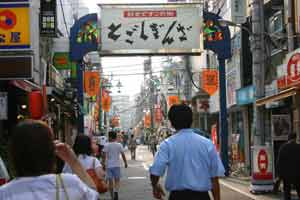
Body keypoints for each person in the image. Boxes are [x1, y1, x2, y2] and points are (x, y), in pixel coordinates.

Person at [0, 120, 99, 200]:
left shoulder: (5, 194)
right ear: (50, 152)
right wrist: (73, 161)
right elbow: (94, 194)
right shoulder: (70, 184)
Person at [149, 104, 225, 200]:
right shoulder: (207, 144)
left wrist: (155, 186)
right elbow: (214, 178)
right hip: (202, 197)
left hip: (177, 197)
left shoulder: (167, 144)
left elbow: (156, 171)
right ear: (191, 120)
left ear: (171, 123)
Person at [103, 131, 128, 200]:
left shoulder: (106, 145)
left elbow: (104, 156)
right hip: (117, 165)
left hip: (109, 166)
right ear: (115, 137)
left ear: (110, 137)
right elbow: (123, 155)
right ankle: (116, 191)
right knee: (117, 180)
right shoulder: (119, 145)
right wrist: (125, 163)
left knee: (110, 182)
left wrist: (103, 164)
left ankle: (112, 197)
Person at [277, 133, 300, 200]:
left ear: (288, 139)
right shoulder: (299, 147)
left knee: (287, 192)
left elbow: (279, 162)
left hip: (286, 175)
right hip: (298, 174)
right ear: (295, 138)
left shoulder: (283, 147)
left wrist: (279, 175)